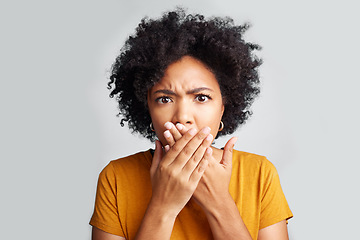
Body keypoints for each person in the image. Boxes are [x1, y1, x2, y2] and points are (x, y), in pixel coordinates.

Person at [90, 8, 293, 240]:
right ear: (147, 107)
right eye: (164, 99)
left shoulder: (259, 174)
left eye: (201, 97)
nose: (182, 116)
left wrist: (218, 201)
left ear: (223, 107)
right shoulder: (116, 178)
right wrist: (163, 206)